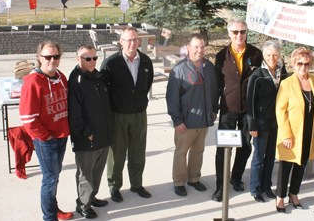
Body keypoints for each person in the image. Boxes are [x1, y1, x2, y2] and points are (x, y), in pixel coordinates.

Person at [19, 41, 73, 221]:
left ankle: (54, 209)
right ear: (39, 58)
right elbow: (28, 118)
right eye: (48, 56)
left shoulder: (61, 77)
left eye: (56, 56)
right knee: (50, 179)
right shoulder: (33, 82)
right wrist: (46, 136)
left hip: (61, 136)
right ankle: (49, 217)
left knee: (54, 177)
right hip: (46, 140)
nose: (52, 60)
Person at [101, 26, 154, 202]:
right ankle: (114, 186)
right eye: (128, 40)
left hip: (139, 114)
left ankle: (137, 184)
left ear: (138, 41)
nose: (132, 43)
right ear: (121, 42)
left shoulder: (146, 61)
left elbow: (146, 85)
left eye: (135, 39)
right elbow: (104, 92)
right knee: (117, 154)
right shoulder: (110, 64)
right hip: (118, 115)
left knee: (138, 153)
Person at [212, 18, 263, 202]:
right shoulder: (221, 56)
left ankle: (236, 177)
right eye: (235, 32)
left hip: (248, 110)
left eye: (242, 32)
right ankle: (220, 185)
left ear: (246, 33)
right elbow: (217, 85)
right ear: (229, 34)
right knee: (223, 149)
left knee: (245, 146)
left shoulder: (256, 54)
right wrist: (214, 108)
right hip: (228, 109)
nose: (239, 35)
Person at [166, 34, 219, 197]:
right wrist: (177, 120)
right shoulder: (179, 69)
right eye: (196, 47)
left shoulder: (209, 66)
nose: (200, 50)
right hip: (186, 122)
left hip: (203, 119)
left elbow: (214, 91)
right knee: (181, 152)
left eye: (202, 47)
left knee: (198, 151)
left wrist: (214, 110)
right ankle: (179, 182)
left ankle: (194, 178)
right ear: (188, 48)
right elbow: (172, 97)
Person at [275, 47, 314, 213]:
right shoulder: (287, 83)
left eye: (307, 64)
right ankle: (280, 196)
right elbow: (280, 110)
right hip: (291, 134)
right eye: (299, 63)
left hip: (308, 132)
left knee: (301, 165)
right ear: (294, 64)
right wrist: (286, 134)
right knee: (286, 166)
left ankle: (294, 193)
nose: (303, 67)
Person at [68, 45, 112, 219]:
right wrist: (87, 132)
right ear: (78, 59)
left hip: (103, 134)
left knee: (97, 171)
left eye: (94, 58)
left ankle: (91, 197)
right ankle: (83, 204)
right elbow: (74, 113)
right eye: (88, 59)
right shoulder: (76, 81)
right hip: (88, 137)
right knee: (86, 174)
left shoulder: (98, 77)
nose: (92, 61)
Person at [247, 40, 287, 203]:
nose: (272, 58)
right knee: (259, 157)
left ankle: (266, 186)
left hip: (276, 123)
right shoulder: (257, 76)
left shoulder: (283, 73)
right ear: (264, 55)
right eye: (269, 54)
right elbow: (250, 103)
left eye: (275, 55)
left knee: (271, 156)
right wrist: (252, 126)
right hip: (261, 123)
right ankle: (255, 188)